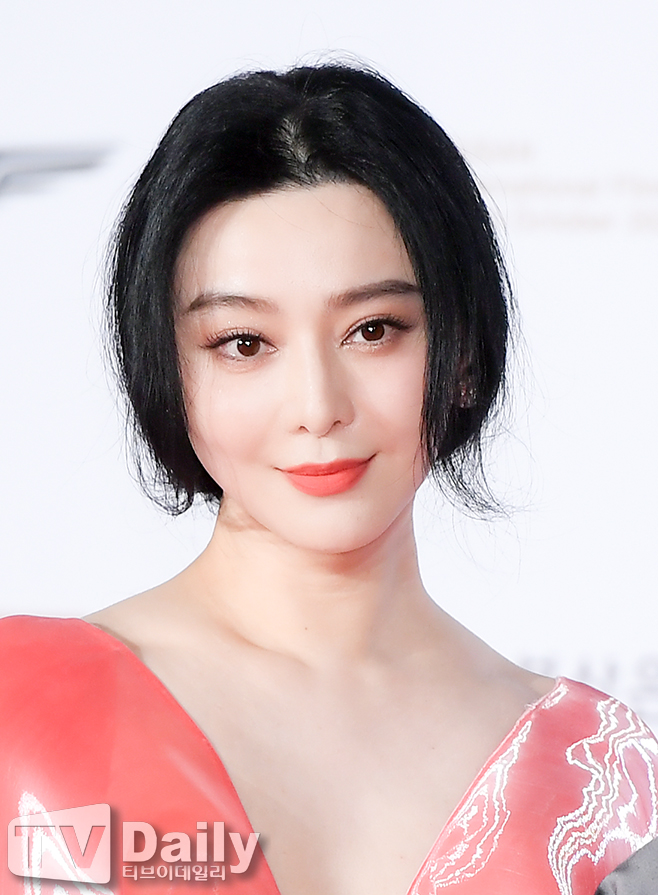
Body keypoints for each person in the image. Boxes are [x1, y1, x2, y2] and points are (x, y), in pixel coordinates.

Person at [1, 64, 657, 895]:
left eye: (373, 329)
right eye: (244, 343)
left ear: (461, 351)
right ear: (169, 371)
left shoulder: (603, 781)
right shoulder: (23, 703)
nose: (317, 406)